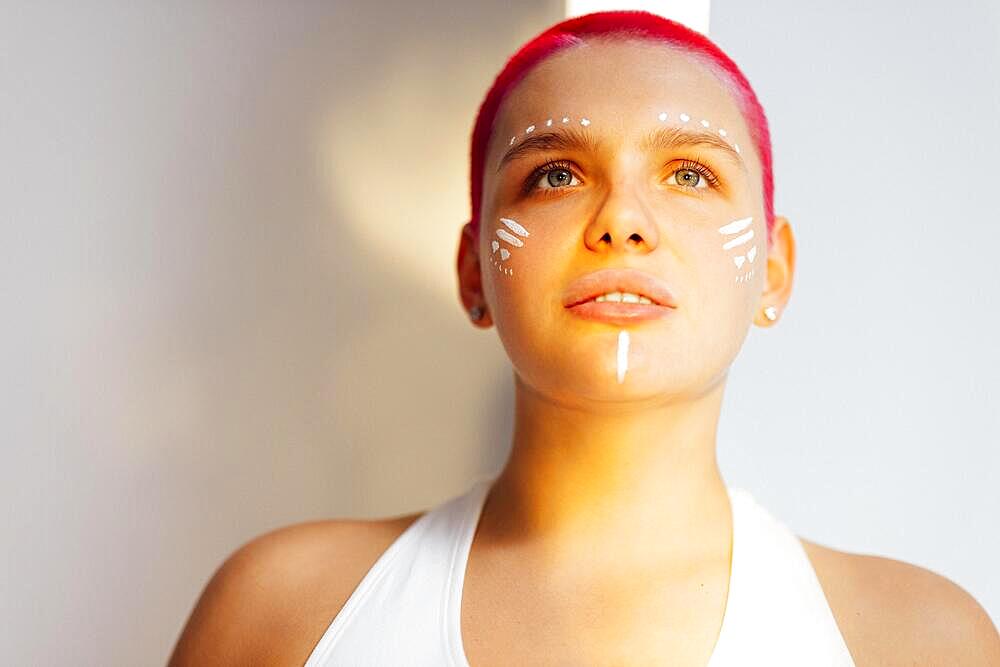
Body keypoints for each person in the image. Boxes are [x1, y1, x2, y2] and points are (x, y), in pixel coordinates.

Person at [168, 11, 1000, 666]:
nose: (623, 222)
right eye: (555, 175)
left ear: (773, 273)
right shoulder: (281, 613)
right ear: (472, 273)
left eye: (690, 174)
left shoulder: (922, 642)